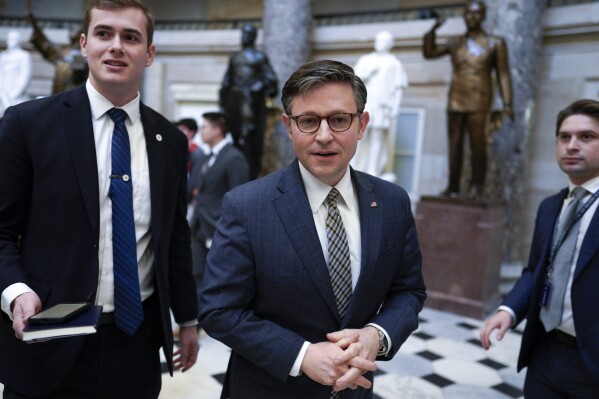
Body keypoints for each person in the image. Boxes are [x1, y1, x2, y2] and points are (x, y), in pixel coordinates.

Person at [0, 1, 199, 397]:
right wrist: (16, 292)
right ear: (84, 44)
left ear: (150, 53)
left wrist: (189, 319)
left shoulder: (171, 142)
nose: (116, 47)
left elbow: (174, 238)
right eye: (105, 34)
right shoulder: (28, 125)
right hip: (49, 341)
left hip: (136, 345)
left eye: (131, 37)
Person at [200, 59, 426, 399]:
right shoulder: (247, 206)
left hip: (354, 391)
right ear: (288, 126)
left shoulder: (392, 202)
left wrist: (375, 335)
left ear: (362, 124)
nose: (324, 136)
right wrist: (302, 355)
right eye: (308, 121)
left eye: (338, 120)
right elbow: (219, 310)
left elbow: (408, 292)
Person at [480, 99, 599, 397]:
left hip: (593, 361)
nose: (572, 146)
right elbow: (536, 270)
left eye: (586, 137)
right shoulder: (550, 207)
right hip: (544, 351)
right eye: (564, 137)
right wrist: (509, 309)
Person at [423, 1, 513, 200]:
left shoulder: (495, 42)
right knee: (454, 145)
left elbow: (503, 74)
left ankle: (478, 187)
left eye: (476, 14)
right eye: (468, 14)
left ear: (483, 16)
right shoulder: (455, 42)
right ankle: (453, 187)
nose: (472, 18)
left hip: (480, 98)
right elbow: (429, 54)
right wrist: (432, 31)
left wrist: (508, 103)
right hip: (456, 97)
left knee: (478, 145)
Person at [188, 112, 249, 319]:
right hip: (198, 225)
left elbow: (239, 195)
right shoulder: (206, 157)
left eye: (204, 127)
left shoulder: (234, 158)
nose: (201, 131)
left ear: (217, 129)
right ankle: (195, 320)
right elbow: (195, 187)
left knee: (219, 278)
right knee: (197, 273)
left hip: (218, 227)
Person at [219, 23, 278, 180]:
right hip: (234, 102)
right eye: (243, 34)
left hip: (251, 103)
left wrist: (258, 87)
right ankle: (236, 173)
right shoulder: (236, 57)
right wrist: (222, 102)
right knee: (234, 136)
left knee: (250, 139)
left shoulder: (259, 57)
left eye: (248, 34)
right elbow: (227, 80)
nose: (244, 37)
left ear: (253, 37)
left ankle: (250, 174)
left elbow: (271, 80)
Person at [352, 30, 408, 181]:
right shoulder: (367, 60)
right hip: (366, 103)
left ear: (390, 44)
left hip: (383, 105)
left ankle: (372, 169)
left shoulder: (394, 63)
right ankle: (354, 166)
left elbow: (398, 88)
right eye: (378, 40)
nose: (380, 43)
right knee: (359, 135)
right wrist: (368, 73)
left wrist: (395, 107)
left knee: (377, 138)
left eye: (383, 41)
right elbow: (353, 80)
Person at [27, 9, 88, 94]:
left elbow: (80, 70)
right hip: (59, 95)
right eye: (72, 39)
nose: (73, 41)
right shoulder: (63, 52)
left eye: (75, 39)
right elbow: (46, 45)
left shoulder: (86, 55)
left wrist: (77, 61)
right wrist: (34, 24)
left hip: (76, 97)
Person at [0, 30, 32, 115]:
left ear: (18, 41)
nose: (10, 41)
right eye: (9, 39)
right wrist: (2, 94)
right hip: (3, 94)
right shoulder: (3, 55)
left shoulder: (24, 56)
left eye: (13, 39)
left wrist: (14, 94)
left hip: (16, 95)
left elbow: (25, 76)